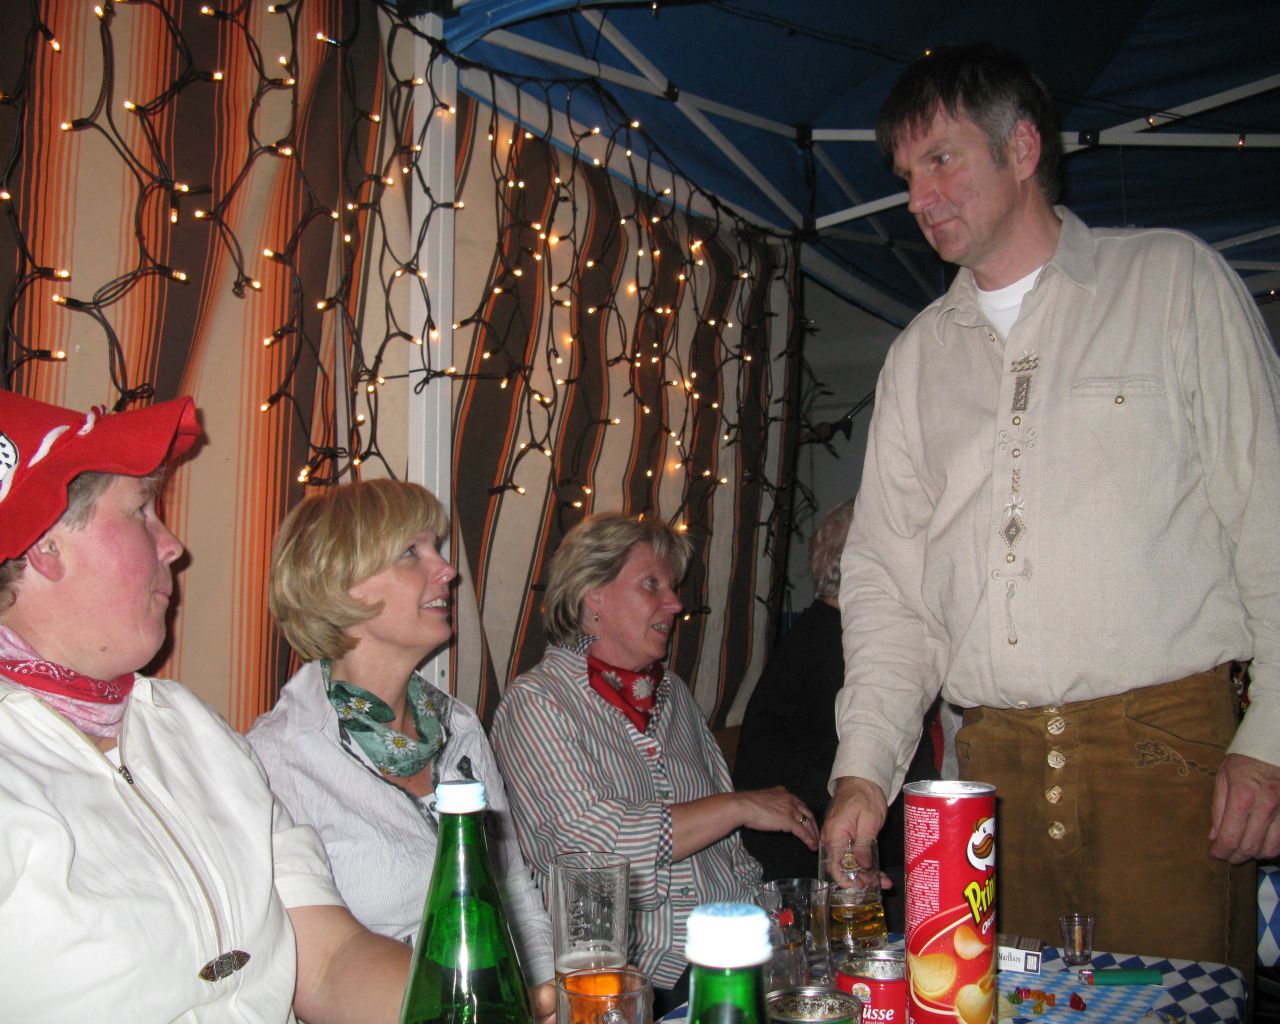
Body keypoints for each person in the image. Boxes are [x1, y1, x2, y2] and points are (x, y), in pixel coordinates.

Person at [822, 41, 1280, 975]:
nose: (918, 198)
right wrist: (864, 768)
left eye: (940, 159)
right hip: (991, 778)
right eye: (907, 176)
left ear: (1023, 147)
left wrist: (1270, 739)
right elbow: (888, 589)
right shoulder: (916, 359)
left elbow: (1268, 515)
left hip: (1168, 760)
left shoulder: (1172, 283)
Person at [0, 391, 410, 1022]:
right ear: (44, 545)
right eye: (141, 511)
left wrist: (479, 1004)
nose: (173, 546)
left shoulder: (186, 724)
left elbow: (329, 961)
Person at [247, 479, 555, 1023]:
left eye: (435, 547)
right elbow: (300, 971)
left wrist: (545, 993)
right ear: (340, 583)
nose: (447, 570)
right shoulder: (278, 760)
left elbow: (511, 888)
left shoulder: (458, 727)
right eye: (412, 552)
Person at [490, 512, 819, 1014]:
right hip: (639, 981)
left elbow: (729, 857)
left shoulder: (673, 694)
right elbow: (595, 850)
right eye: (651, 585)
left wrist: (790, 914)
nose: (675, 603)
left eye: (672, 587)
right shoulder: (538, 702)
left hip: (737, 948)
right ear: (593, 595)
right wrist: (738, 806)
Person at [733, 500, 936, 932]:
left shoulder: (811, 636)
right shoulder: (850, 657)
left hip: (813, 864)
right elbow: (906, 803)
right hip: (804, 886)